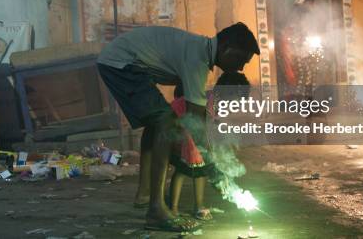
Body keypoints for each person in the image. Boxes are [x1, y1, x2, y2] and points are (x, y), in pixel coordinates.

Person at [96, 23, 259, 232]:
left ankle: (146, 194)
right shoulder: (198, 58)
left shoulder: (199, 52)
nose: (240, 68)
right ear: (226, 46)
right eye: (240, 60)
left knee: (157, 121)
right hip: (121, 63)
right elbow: (196, 121)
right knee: (166, 120)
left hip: (120, 61)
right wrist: (215, 172)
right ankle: (156, 210)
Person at [167, 72, 249, 221]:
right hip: (178, 127)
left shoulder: (217, 102)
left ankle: (198, 206)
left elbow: (214, 126)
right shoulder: (204, 100)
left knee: (201, 169)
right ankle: (172, 208)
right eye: (236, 100)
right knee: (182, 169)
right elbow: (201, 128)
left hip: (193, 132)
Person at [277, 0, 319, 100]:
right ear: (309, 2)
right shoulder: (300, 12)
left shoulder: (298, 9)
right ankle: (300, 100)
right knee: (302, 72)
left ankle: (304, 99)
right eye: (312, 4)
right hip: (293, 46)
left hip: (295, 46)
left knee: (305, 72)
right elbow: (294, 31)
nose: (313, 7)